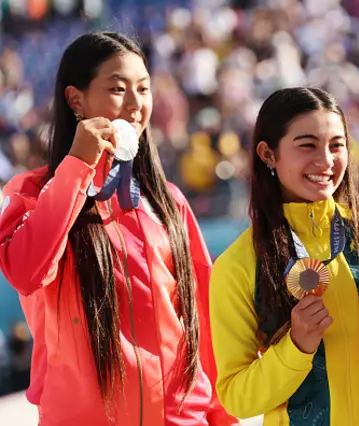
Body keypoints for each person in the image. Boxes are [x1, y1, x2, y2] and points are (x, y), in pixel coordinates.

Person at [0, 32, 237, 426]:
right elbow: (26, 272)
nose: (135, 104)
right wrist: (77, 166)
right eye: (117, 88)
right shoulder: (32, 193)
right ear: (76, 99)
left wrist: (221, 417)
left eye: (143, 88)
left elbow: (203, 323)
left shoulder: (167, 199)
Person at [209, 87, 359, 425]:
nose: (326, 161)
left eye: (336, 145)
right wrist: (296, 346)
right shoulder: (237, 265)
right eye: (307, 145)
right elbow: (237, 397)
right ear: (268, 154)